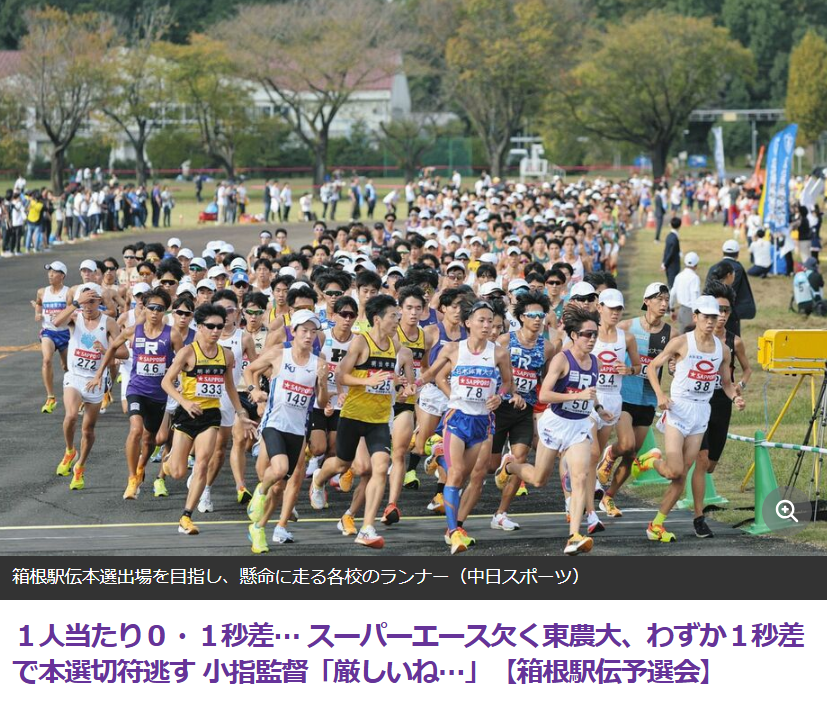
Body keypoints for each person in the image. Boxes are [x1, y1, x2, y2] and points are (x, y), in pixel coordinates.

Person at [496, 305, 613, 555]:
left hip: (580, 425)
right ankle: (510, 466)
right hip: (556, 423)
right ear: (574, 335)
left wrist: (599, 407)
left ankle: (574, 535)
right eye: (586, 334)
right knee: (539, 479)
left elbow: (590, 393)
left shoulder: (596, 362)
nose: (592, 339)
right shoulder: (562, 359)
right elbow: (545, 394)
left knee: (580, 477)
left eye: (595, 334)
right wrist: (577, 396)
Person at [309, 294, 416, 549]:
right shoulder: (361, 343)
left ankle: (367, 528)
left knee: (380, 467)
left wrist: (402, 387)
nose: (397, 321)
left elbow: (390, 378)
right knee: (343, 462)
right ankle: (318, 479)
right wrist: (366, 381)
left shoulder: (396, 345)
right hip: (353, 415)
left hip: (379, 419)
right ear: (377, 319)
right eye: (393, 316)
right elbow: (341, 374)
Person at [642, 295, 746, 543]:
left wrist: (735, 398)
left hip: (701, 412)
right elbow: (651, 367)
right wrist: (660, 394)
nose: (712, 321)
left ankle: (656, 525)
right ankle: (650, 460)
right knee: (674, 470)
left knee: (681, 475)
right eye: (707, 316)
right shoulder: (681, 342)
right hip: (678, 410)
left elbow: (726, 383)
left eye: (715, 316)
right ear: (696, 317)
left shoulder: (723, 349)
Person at [424, 299, 514, 554]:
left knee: (467, 473)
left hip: (483, 422)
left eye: (491, 321)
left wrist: (501, 395)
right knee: (456, 475)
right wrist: (416, 385)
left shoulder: (499, 353)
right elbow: (432, 374)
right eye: (481, 320)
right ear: (468, 323)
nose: (487, 326)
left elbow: (508, 383)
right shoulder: (454, 349)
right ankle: (453, 533)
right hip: (458, 418)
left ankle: (440, 457)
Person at [161, 303, 257, 535]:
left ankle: (186, 516)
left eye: (219, 326)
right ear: (200, 327)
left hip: (210, 416)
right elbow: (166, 382)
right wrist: (184, 402)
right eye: (211, 326)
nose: (216, 331)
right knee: (177, 472)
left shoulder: (226, 355)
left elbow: (230, 387)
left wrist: (241, 414)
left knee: (203, 463)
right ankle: (168, 462)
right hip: (188, 414)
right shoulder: (187, 352)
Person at [245, 310, 330, 554]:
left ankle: (259, 529)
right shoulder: (278, 355)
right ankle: (259, 492)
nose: (308, 336)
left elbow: (322, 403)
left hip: (297, 430)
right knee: (279, 469)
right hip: (273, 423)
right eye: (304, 330)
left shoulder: (319, 363)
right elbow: (250, 370)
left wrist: (323, 384)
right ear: (293, 332)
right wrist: (254, 391)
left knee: (280, 487)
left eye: (313, 332)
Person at [88, 286, 184, 499]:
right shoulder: (134, 330)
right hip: (136, 389)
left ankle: (141, 468)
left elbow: (184, 360)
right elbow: (113, 347)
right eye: (151, 307)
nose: (155, 312)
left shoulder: (173, 335)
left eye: (160, 308)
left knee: (151, 441)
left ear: (165, 311)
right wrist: (99, 374)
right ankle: (132, 478)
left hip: (158, 394)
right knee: (135, 430)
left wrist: (180, 378)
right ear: (144, 308)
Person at [596, 282, 675, 516]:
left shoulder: (671, 333)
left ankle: (608, 497)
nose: (663, 304)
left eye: (666, 299)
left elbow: (675, 363)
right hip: (624, 396)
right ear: (646, 301)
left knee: (631, 456)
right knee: (626, 445)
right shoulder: (626, 327)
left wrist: (673, 365)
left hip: (648, 398)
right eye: (658, 299)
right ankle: (610, 454)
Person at [490, 290, 558, 530]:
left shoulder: (548, 348)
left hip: (525, 411)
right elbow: (492, 372)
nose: (538, 320)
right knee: (488, 466)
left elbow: (549, 379)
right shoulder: (506, 341)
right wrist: (509, 393)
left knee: (521, 458)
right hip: (499, 408)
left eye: (541, 315)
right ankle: (502, 465)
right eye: (532, 315)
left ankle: (501, 514)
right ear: (521, 317)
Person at [693, 281, 752, 538]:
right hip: (698, 402)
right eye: (717, 309)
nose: (722, 315)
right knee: (701, 459)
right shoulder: (694, 337)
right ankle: (699, 516)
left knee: (710, 466)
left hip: (722, 402)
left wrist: (739, 389)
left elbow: (747, 370)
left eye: (726, 310)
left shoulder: (733, 342)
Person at [51, 283, 123, 490]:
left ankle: (80, 466)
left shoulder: (109, 323)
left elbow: (124, 353)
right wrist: (75, 303)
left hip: (95, 380)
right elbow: (56, 322)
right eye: (85, 301)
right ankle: (69, 450)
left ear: (100, 302)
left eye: (92, 301)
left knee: (88, 430)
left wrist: (107, 350)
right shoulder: (75, 317)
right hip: (74, 377)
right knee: (71, 416)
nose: (88, 305)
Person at [33, 261, 71, 413]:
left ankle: (73, 395)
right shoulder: (42, 291)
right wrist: (37, 312)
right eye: (49, 272)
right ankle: (50, 397)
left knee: (67, 367)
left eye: (54, 272)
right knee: (47, 360)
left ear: (62, 275)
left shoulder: (68, 293)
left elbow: (72, 311)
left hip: (65, 333)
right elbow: (38, 303)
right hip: (48, 331)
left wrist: (62, 315)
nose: (50, 275)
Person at [707, 239, 755, 335]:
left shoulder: (713, 267)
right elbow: (732, 291)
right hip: (729, 313)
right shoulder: (737, 268)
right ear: (737, 253)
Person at [669, 251, 701, 333]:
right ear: (696, 264)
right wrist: (696, 315)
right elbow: (695, 297)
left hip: (681, 310)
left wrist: (671, 309)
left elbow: (672, 293)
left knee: (682, 337)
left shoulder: (679, 276)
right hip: (690, 312)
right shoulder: (694, 278)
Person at [661, 216, 682, 288]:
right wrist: (665, 264)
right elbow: (671, 253)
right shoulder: (674, 238)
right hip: (672, 265)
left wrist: (663, 262)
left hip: (669, 265)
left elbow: (666, 250)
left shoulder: (669, 236)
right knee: (672, 286)